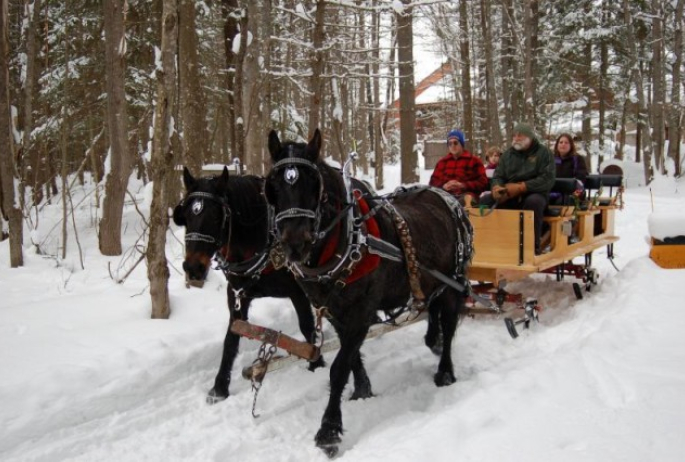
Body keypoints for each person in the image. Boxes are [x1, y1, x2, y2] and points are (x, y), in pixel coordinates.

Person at [490, 123, 555, 255]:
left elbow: (547, 179)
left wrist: (522, 187)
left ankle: (531, 247)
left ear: (530, 137)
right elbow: (498, 175)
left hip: (535, 193)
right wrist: (496, 187)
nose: (517, 138)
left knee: (533, 202)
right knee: (487, 200)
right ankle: (492, 244)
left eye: (521, 135)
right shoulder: (507, 155)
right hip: (509, 193)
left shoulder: (544, 153)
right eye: (515, 135)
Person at [429, 129, 488, 206]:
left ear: (462, 144)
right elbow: (432, 183)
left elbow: (483, 183)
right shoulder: (442, 163)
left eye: (455, 143)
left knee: (461, 203)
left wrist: (463, 185)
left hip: (466, 197)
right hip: (445, 196)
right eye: (450, 144)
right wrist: (444, 186)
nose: (453, 146)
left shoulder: (474, 161)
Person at [552, 133, 588, 203]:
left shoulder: (577, 159)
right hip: (553, 191)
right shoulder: (551, 159)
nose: (563, 144)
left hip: (572, 192)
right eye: (561, 142)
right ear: (557, 145)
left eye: (566, 143)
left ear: (571, 145)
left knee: (563, 201)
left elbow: (580, 178)